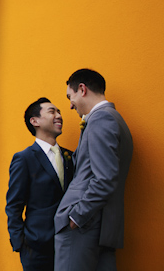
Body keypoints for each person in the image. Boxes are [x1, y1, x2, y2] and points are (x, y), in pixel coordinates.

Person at [54, 69, 133, 271]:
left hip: (85, 227)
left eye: (69, 97)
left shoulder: (100, 120)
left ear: (82, 89)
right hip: (103, 228)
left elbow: (105, 179)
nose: (70, 105)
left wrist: (75, 217)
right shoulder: (117, 121)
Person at [6, 97, 74, 271]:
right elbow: (14, 204)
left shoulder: (71, 157)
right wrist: (20, 243)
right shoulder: (24, 158)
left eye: (59, 111)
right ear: (34, 121)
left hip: (71, 244)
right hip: (37, 248)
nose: (59, 115)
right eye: (52, 111)